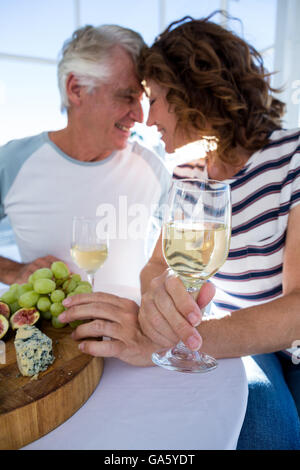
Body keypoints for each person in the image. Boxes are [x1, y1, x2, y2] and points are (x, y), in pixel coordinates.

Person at [60, 14, 300, 450]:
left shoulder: (293, 155)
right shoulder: (188, 174)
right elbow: (156, 265)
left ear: (192, 90)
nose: (147, 119)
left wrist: (173, 339)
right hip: (236, 345)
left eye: (154, 98)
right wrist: (157, 304)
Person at [0, 24, 170, 289]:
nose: (140, 116)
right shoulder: (13, 162)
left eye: (141, 100)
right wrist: (12, 270)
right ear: (76, 88)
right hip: (47, 331)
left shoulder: (153, 169)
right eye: (126, 97)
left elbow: (175, 260)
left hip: (132, 330)